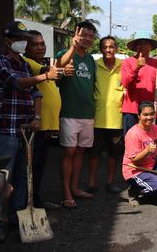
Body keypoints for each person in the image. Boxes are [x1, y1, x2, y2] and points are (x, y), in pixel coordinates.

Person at [0, 21, 58, 234]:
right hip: (8, 129)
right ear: (8, 41)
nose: (22, 42)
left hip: (26, 129)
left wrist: (37, 117)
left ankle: (16, 216)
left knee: (23, 175)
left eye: (24, 39)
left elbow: (36, 94)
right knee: (4, 178)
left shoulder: (24, 64)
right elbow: (18, 83)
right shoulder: (0, 63)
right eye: (19, 39)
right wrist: (46, 75)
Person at [56, 21, 98, 208]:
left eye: (91, 36)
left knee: (81, 151)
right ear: (76, 34)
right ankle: (66, 193)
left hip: (88, 113)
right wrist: (73, 47)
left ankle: (74, 188)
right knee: (69, 152)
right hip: (69, 112)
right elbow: (60, 64)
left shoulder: (90, 60)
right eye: (84, 35)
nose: (87, 39)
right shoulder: (65, 54)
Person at [23, 30, 63, 210]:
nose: (40, 47)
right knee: (30, 168)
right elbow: (46, 71)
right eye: (35, 44)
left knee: (39, 167)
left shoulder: (40, 63)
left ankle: (36, 201)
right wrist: (50, 71)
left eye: (42, 44)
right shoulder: (28, 63)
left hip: (46, 126)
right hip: (36, 126)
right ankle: (27, 203)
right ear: (26, 47)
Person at [89, 36, 124, 195]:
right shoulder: (94, 66)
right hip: (97, 117)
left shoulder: (123, 66)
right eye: (105, 47)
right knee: (94, 152)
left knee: (113, 153)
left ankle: (110, 181)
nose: (108, 50)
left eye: (111, 47)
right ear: (101, 49)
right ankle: (92, 181)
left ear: (116, 48)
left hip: (117, 118)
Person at [121, 30, 157, 134]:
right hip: (132, 110)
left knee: (152, 143)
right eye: (139, 43)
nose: (142, 46)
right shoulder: (128, 62)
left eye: (145, 43)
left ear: (151, 46)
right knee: (132, 142)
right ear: (135, 46)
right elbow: (126, 83)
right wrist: (137, 67)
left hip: (151, 111)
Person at [122, 101, 157, 206]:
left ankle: (153, 189)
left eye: (152, 114)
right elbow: (135, 160)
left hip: (150, 167)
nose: (149, 117)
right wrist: (147, 150)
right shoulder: (133, 134)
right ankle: (136, 191)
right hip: (135, 171)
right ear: (139, 116)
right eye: (145, 115)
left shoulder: (155, 128)